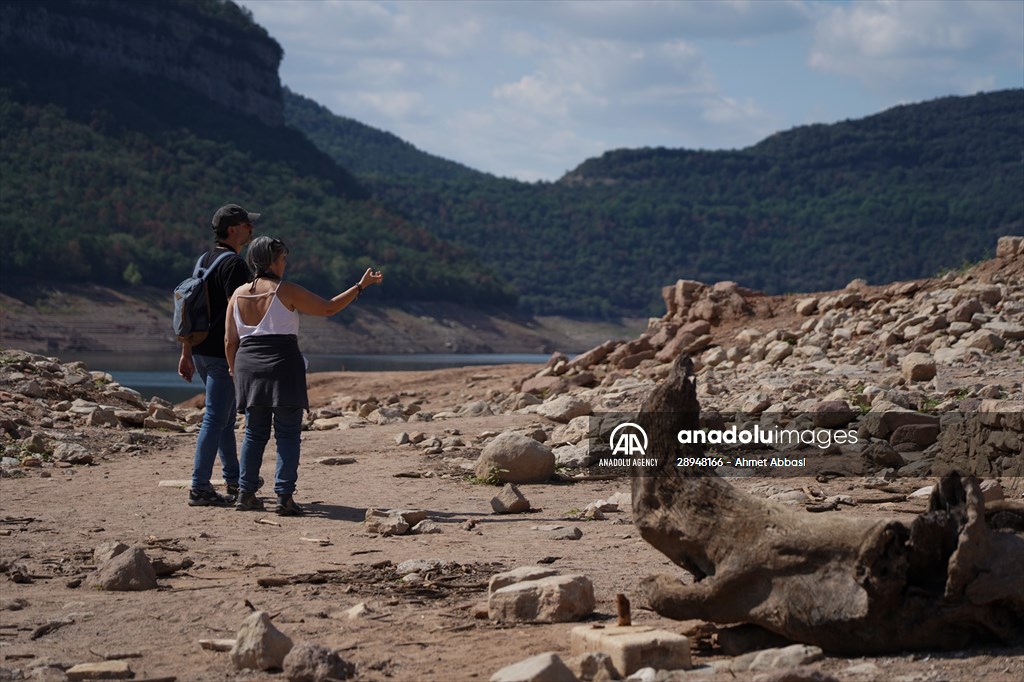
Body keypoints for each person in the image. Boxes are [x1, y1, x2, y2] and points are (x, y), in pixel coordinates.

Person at [225, 236, 383, 515]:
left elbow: (230, 341)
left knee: (253, 433)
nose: (285, 264)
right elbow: (328, 307)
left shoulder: (237, 295)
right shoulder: (285, 291)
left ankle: (245, 494)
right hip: (283, 366)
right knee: (287, 433)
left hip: (248, 367)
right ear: (271, 261)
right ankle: (284, 497)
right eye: (283, 259)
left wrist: (233, 370)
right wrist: (360, 286)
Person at [179, 204, 258, 507]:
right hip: (221, 353)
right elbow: (237, 313)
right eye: (247, 225)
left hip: (199, 350)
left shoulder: (204, 260)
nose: (251, 229)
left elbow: (189, 310)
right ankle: (199, 487)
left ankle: (234, 479)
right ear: (234, 229)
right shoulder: (235, 265)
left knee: (223, 419)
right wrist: (239, 356)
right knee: (215, 418)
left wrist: (186, 352)